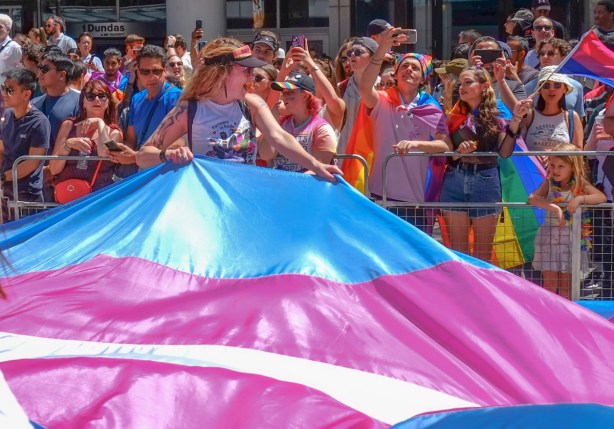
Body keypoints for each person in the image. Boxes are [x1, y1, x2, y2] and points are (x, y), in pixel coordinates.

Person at [134, 37, 341, 182]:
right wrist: (167, 155)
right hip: (206, 203)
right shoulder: (189, 109)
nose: (252, 76)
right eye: (246, 70)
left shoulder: (252, 104)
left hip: (245, 196)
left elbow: (279, 138)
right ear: (221, 72)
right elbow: (142, 156)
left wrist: (316, 165)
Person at [351, 27, 451, 231]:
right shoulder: (382, 100)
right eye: (404, 66)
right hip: (381, 195)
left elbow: (445, 145)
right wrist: (383, 47)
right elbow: (364, 87)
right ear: (395, 74)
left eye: (415, 68)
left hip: (415, 199)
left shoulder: (432, 108)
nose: (409, 70)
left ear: (424, 79)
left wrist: (416, 144)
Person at [440, 67, 515, 262]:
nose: (462, 87)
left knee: (482, 256)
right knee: (459, 254)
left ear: (484, 86)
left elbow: (504, 152)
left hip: (486, 181)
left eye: (468, 82)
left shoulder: (498, 113)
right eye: (461, 84)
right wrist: (458, 152)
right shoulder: (453, 115)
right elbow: (446, 155)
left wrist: (514, 125)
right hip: (455, 179)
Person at [528, 143, 606, 299]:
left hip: (571, 240)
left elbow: (601, 197)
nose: (555, 170)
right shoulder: (549, 182)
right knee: (549, 285)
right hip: (550, 239)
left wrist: (579, 199)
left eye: (561, 166)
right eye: (552, 165)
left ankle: (565, 318)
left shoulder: (580, 184)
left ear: (572, 166)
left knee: (566, 287)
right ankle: (548, 316)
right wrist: (554, 208)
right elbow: (532, 198)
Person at [46, 79, 120, 199]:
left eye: (102, 96)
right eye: (90, 96)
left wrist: (100, 123)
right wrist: (68, 145)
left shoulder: (115, 133)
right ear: (83, 102)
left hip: (99, 198)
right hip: (68, 195)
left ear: (108, 102)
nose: (97, 100)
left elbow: (104, 152)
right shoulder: (69, 126)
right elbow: (54, 169)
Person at [111, 45, 182, 166]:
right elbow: (131, 140)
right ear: (138, 72)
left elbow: (177, 143)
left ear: (165, 71)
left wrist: (135, 157)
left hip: (165, 170)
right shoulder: (137, 99)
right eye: (145, 71)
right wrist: (121, 153)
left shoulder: (177, 98)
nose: (151, 76)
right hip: (140, 169)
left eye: (156, 71)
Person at [0, 68, 50, 222]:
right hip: (6, 192)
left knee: (26, 243)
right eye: (3, 88)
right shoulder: (7, 115)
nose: (4, 94)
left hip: (27, 196)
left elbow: (32, 162)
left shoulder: (39, 122)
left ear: (26, 94)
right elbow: (2, 150)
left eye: (10, 90)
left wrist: (2, 177)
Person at [269, 72, 337, 171]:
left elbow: (320, 170)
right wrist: (272, 122)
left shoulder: (322, 128)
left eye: (290, 92)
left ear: (305, 96)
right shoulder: (280, 125)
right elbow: (266, 155)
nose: (284, 97)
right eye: (283, 93)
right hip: (280, 183)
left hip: (306, 185)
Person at [508, 66, 583, 153]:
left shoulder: (572, 117)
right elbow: (518, 145)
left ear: (565, 89)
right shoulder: (528, 116)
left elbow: (578, 151)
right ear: (540, 90)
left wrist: (554, 156)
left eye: (557, 85)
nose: (551, 89)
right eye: (546, 85)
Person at [523, 38, 585, 120]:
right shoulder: (528, 87)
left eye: (551, 54)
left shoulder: (576, 87)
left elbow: (580, 120)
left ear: (563, 57)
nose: (545, 57)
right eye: (542, 53)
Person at [338, 37, 379, 156]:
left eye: (358, 52)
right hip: (345, 158)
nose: (352, 56)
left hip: (374, 159)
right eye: (350, 53)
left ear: (373, 58)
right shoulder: (340, 89)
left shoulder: (385, 88)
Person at [31, 52, 81, 148]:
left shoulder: (79, 102)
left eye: (45, 69)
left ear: (62, 75)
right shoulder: (34, 103)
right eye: (40, 68)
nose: (40, 73)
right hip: (37, 161)